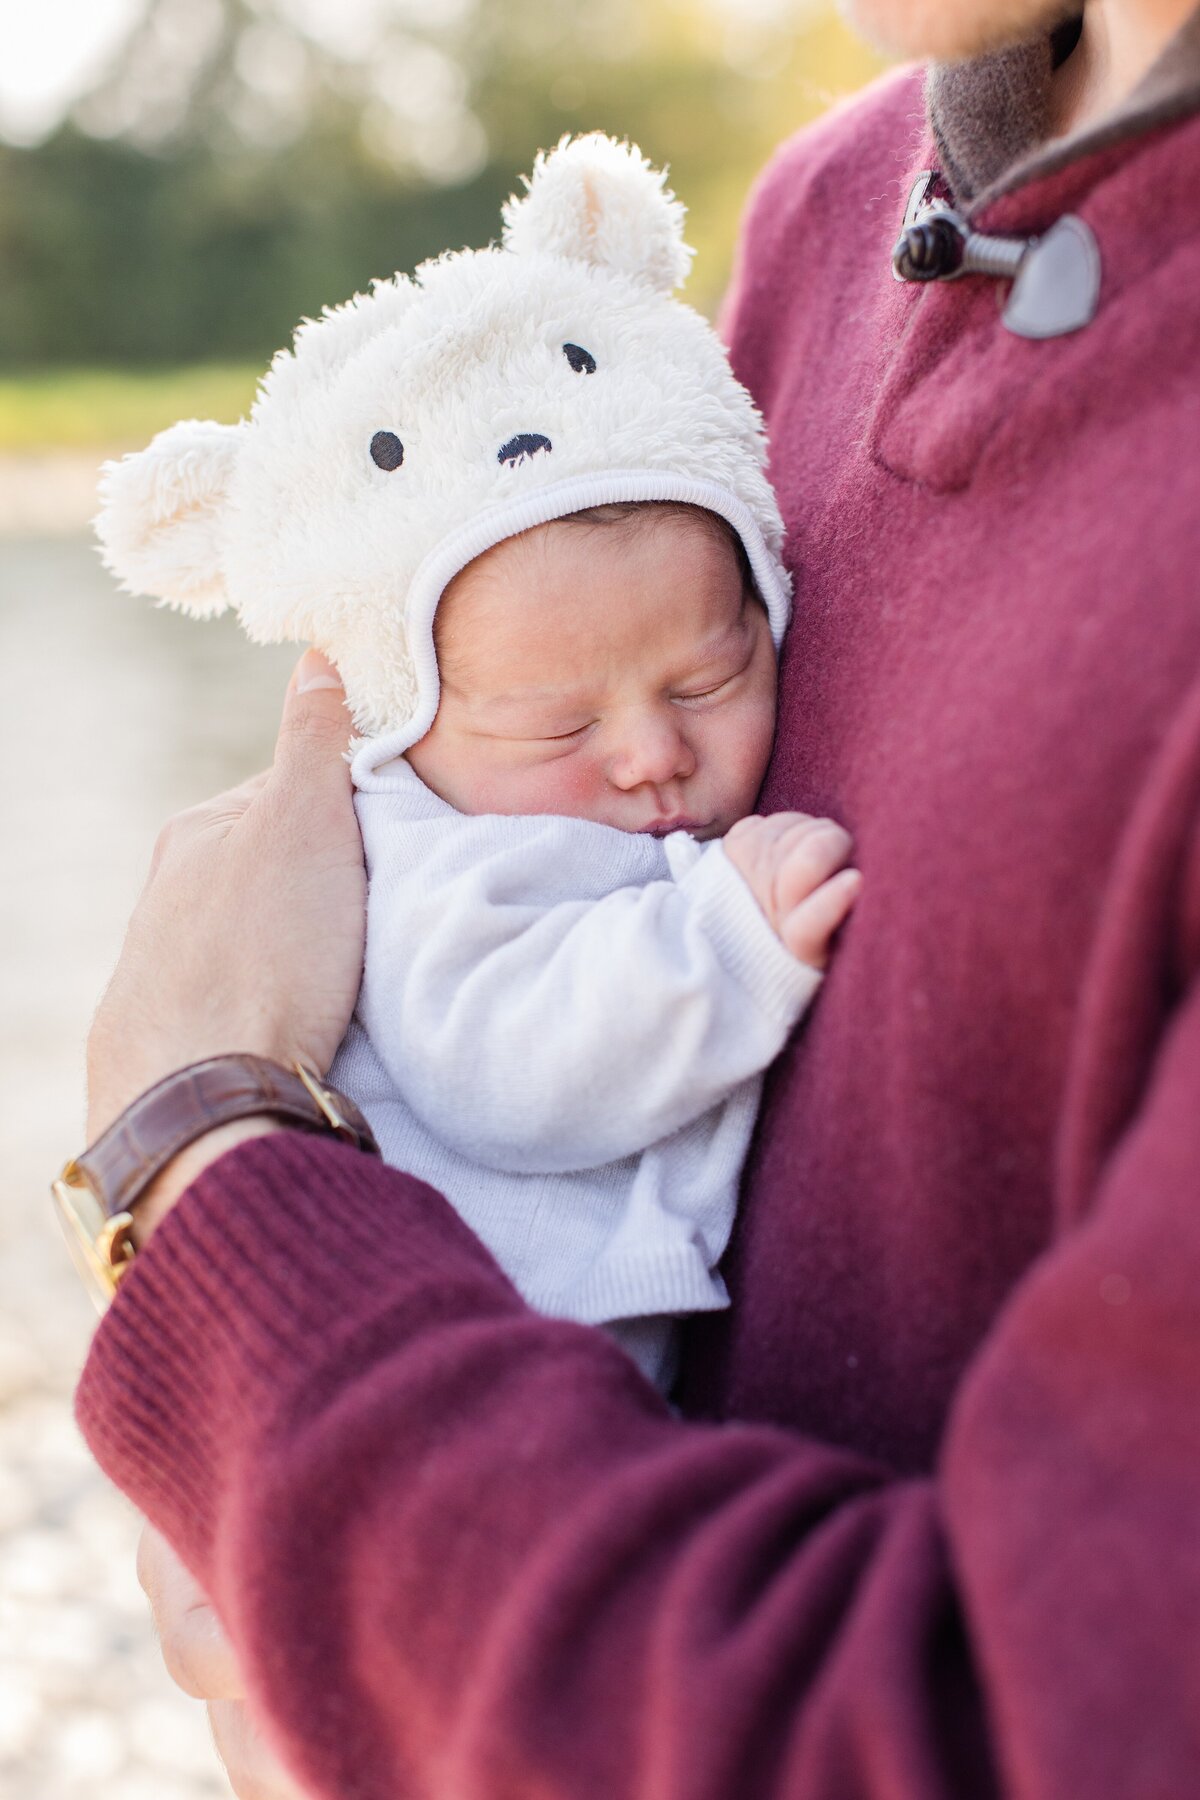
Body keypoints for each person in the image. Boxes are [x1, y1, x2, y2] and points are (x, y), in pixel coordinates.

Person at [74, 0, 1200, 1795]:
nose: (656, 756)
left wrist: (204, 1157)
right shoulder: (846, 210)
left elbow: (1014, 1735)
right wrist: (311, 1554)